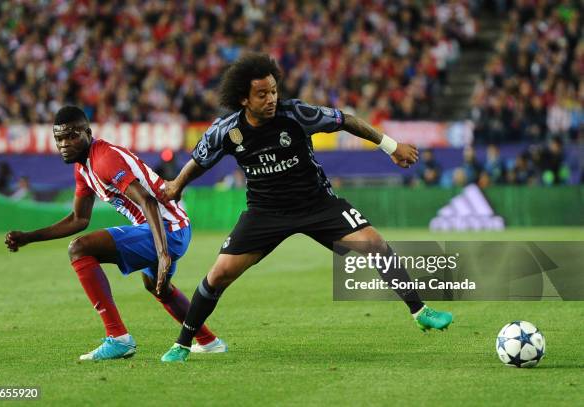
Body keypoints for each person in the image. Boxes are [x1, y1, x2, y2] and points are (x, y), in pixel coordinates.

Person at [159, 53, 453, 362]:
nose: (271, 98)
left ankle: (420, 310)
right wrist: (177, 185)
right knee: (219, 275)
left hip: (317, 204)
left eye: (273, 91)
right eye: (262, 94)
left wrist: (392, 147)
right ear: (243, 99)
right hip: (265, 211)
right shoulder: (227, 130)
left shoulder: (296, 114)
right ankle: (183, 343)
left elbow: (345, 120)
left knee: (375, 244)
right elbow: (200, 160)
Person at [4, 106, 226, 361]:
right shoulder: (82, 168)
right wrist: (29, 237)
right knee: (157, 288)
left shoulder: (104, 158)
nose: (64, 144)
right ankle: (209, 341)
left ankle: (118, 337)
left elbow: (147, 201)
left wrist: (163, 254)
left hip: (168, 230)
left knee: (79, 248)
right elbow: (79, 219)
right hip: (165, 229)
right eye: (59, 139)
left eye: (72, 136)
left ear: (88, 133)